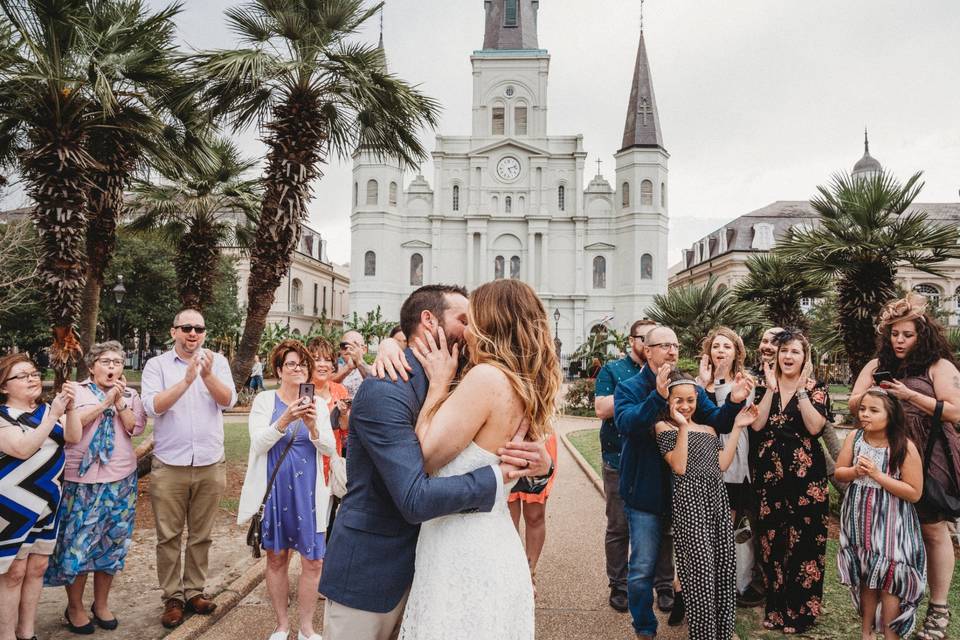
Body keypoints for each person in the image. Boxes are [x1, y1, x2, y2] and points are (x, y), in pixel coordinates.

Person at [319, 284, 553, 640]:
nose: (470, 327)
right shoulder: (387, 387)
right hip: (375, 570)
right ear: (429, 321)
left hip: (445, 566)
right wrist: (496, 478)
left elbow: (500, 448)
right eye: (464, 319)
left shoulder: (474, 377)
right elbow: (415, 496)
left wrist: (543, 468)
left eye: (475, 319)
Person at [397, 279, 562, 639]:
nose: (467, 332)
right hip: (492, 539)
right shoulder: (524, 383)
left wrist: (438, 386)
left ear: (491, 325)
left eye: (472, 322)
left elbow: (424, 458)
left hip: (463, 549)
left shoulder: (486, 378)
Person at [614, 326, 753, 640]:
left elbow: (715, 420)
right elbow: (629, 425)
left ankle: (689, 610)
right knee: (642, 567)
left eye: (675, 345)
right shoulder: (630, 388)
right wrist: (658, 397)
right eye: (664, 345)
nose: (672, 351)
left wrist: (733, 402)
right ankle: (645, 629)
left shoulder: (690, 386)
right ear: (646, 350)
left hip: (694, 496)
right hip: (649, 491)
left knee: (700, 562)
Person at [848, 294, 960, 640]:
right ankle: (894, 606)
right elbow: (854, 402)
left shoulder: (938, 366)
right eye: (894, 334)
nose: (899, 341)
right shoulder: (876, 363)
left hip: (928, 455)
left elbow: (956, 411)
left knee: (932, 529)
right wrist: (877, 397)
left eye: (907, 335)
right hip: (883, 454)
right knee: (886, 534)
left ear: (922, 335)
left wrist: (911, 397)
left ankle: (938, 610)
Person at [140, 309, 237, 629]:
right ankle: (172, 597)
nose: (193, 333)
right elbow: (153, 407)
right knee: (168, 536)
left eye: (199, 328)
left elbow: (228, 402)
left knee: (201, 534)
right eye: (186, 328)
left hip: (210, 461)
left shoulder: (217, 362)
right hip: (170, 465)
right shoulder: (157, 366)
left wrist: (207, 376)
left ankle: (194, 591)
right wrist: (186, 380)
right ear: (174, 332)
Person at [44, 342, 147, 633]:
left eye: (117, 361)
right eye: (105, 361)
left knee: (112, 544)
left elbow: (134, 429)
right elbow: (67, 431)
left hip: (120, 479)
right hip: (81, 481)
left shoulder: (130, 394)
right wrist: (103, 404)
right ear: (91, 366)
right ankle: (74, 606)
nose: (112, 367)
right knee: (78, 545)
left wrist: (119, 402)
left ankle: (101, 604)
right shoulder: (75, 391)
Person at [238, 340, 336, 640]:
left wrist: (314, 427)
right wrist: (284, 420)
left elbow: (330, 447)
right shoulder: (265, 401)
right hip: (276, 490)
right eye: (291, 364)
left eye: (303, 364)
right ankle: (282, 625)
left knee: (314, 561)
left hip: (310, 493)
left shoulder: (318, 403)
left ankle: (306, 628)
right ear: (279, 369)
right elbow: (257, 445)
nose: (298, 369)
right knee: (277, 558)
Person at [655, 371, 756, 640]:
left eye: (691, 400)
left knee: (723, 568)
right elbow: (679, 465)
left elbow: (722, 465)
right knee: (700, 573)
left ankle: (723, 633)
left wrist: (737, 427)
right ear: (669, 400)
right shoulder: (665, 428)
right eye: (679, 400)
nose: (686, 406)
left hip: (717, 502)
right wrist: (683, 426)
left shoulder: (710, 429)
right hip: (690, 505)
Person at [750, 328, 830, 633]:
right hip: (770, 477)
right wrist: (771, 389)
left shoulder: (815, 388)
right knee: (772, 544)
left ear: (804, 356)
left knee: (805, 545)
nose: (788, 356)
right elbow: (757, 425)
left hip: (805, 479)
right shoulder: (762, 387)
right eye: (784, 350)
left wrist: (798, 391)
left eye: (795, 351)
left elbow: (814, 427)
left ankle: (802, 612)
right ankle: (776, 608)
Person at [0, 355, 81, 640]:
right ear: (4, 387)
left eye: (34, 373)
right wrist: (52, 415)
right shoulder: (2, 416)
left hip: (47, 503)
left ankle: (27, 631)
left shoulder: (47, 410)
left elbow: (72, 437)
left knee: (37, 567)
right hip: (11, 508)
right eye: (22, 376)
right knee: (13, 572)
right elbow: (23, 448)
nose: (32, 378)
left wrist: (69, 410)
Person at [836, 387, 926, 640]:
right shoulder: (855, 437)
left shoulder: (903, 446)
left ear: (891, 414)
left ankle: (890, 635)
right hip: (859, 517)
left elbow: (914, 492)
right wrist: (855, 472)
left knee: (890, 580)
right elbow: (839, 472)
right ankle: (866, 633)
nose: (865, 415)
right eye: (863, 409)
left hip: (891, 522)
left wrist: (877, 475)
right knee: (868, 576)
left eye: (874, 410)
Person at [594, 319, 658, 612]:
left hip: (656, 459)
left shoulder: (664, 371)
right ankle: (618, 585)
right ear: (632, 340)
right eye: (644, 338)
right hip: (618, 458)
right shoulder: (613, 370)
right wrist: (641, 394)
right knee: (619, 525)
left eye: (654, 339)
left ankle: (663, 585)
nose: (649, 345)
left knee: (661, 526)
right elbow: (601, 409)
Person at [697, 327, 762, 607]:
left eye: (727, 346)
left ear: (737, 352)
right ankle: (709, 584)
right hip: (705, 463)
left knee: (732, 526)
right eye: (716, 346)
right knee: (709, 528)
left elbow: (730, 412)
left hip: (734, 464)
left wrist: (720, 379)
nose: (720, 351)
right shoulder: (699, 384)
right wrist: (704, 382)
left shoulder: (744, 382)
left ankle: (737, 584)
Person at [307, 337, 350, 532]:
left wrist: (342, 413)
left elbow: (346, 428)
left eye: (327, 359)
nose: (322, 365)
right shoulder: (302, 390)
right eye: (316, 359)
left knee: (327, 521)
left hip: (331, 462)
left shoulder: (339, 390)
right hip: (307, 459)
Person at [507, 432, 558, 598]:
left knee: (534, 516)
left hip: (539, 435)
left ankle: (529, 574)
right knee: (507, 519)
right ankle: (510, 572)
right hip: (505, 435)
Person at [332, 331, 371, 398]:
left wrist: (359, 363)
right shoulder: (333, 368)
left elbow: (375, 384)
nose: (348, 349)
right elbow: (326, 384)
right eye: (344, 346)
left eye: (354, 345)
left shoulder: (373, 369)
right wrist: (348, 368)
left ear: (364, 350)